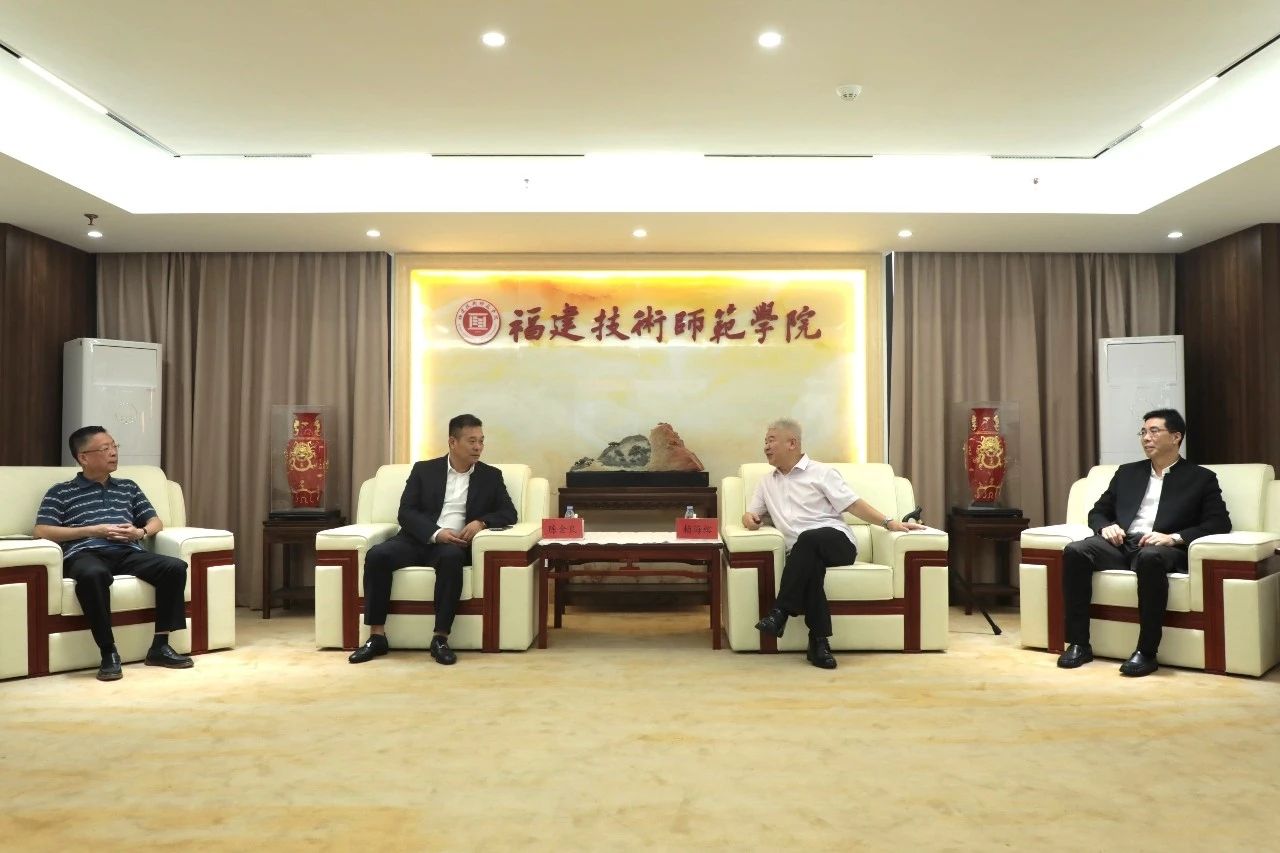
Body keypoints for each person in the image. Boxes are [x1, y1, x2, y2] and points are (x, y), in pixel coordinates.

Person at [1057, 408, 1230, 677]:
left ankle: (1146, 652)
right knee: (1075, 551)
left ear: (1176, 437)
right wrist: (1106, 526)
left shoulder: (1200, 478)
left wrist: (1173, 537)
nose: (1146, 438)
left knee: (1150, 557)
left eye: (1154, 431)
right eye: (1143, 432)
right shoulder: (1127, 473)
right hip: (1122, 543)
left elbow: (1219, 522)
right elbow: (1098, 512)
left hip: (1163, 548)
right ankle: (1079, 643)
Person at [746, 419, 926, 669]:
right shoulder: (766, 482)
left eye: (771, 440)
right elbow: (751, 514)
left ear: (792, 443)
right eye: (765, 441)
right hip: (802, 553)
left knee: (808, 539)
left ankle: (781, 611)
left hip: (837, 542)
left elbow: (853, 504)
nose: (765, 446)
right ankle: (819, 644)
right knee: (810, 564)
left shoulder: (822, 473)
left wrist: (889, 523)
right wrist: (750, 520)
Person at [348, 413, 517, 666]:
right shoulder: (424, 470)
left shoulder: (490, 476)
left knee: (452, 559)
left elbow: (509, 512)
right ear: (452, 442)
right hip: (416, 539)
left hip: (453, 546)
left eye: (481, 441)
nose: (478, 447)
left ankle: (440, 638)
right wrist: (436, 533)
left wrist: (481, 522)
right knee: (377, 555)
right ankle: (377, 636)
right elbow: (406, 512)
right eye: (472, 441)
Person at [34, 426, 193, 682]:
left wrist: (139, 532)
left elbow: (155, 522)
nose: (113, 453)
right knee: (93, 575)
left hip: (126, 550)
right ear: (83, 457)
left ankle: (160, 646)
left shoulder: (128, 487)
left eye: (114, 446)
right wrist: (92, 530)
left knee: (174, 567)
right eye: (105, 448)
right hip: (85, 553)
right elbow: (41, 530)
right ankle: (108, 653)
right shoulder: (61, 492)